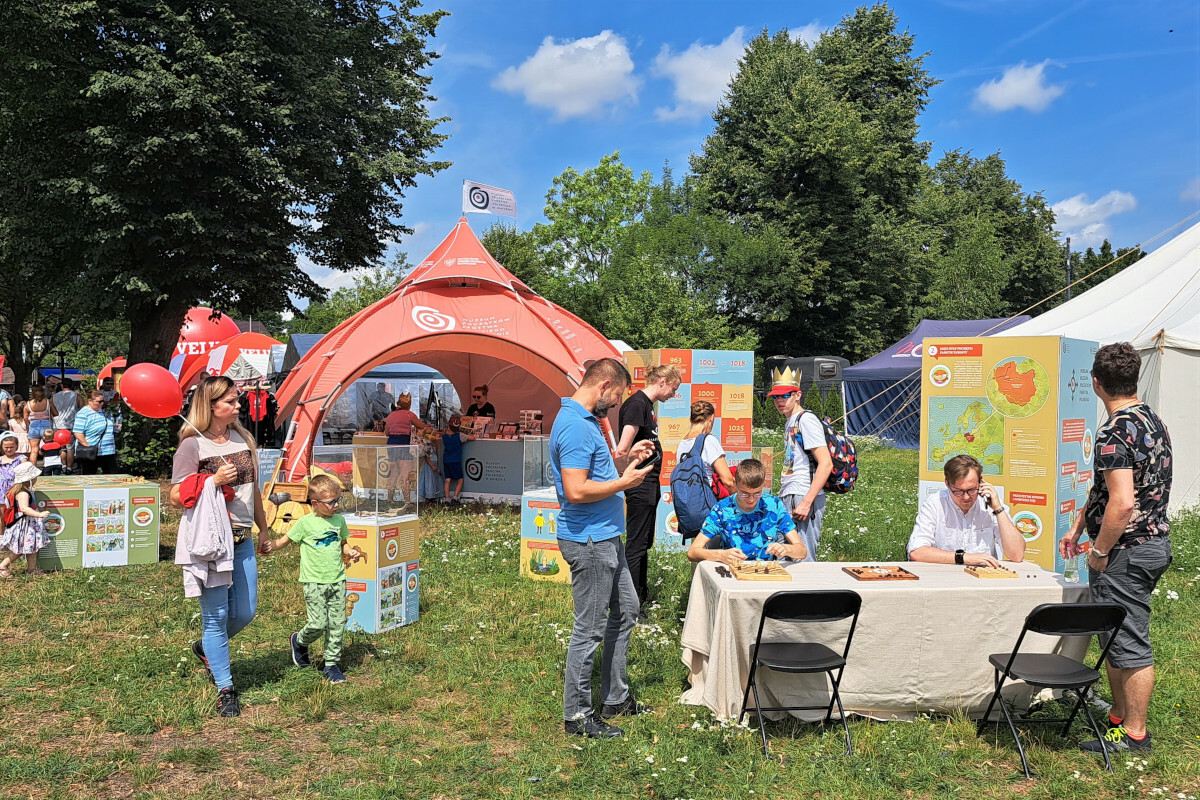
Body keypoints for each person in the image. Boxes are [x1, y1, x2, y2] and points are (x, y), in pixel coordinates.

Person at [1060, 343, 1172, 755]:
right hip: (1153, 541)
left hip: (1128, 548)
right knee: (1115, 634)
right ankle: (1119, 718)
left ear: (1095, 383)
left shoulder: (1114, 430)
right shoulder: (1151, 420)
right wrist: (1078, 526)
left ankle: (1135, 735)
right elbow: (1104, 491)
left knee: (1128, 639)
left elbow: (1122, 502)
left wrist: (1101, 550)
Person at [551, 357, 656, 739]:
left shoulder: (585, 422)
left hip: (606, 537)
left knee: (627, 610)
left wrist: (624, 460)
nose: (615, 405)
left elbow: (592, 473)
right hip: (590, 541)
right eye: (615, 398)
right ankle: (577, 715)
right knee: (589, 628)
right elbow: (577, 490)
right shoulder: (577, 427)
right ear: (605, 384)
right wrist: (625, 483)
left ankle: (615, 697)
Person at [170, 375, 271, 717]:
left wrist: (264, 528)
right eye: (230, 401)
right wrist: (212, 480)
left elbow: (253, 489)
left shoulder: (242, 437)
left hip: (242, 540)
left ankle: (206, 649)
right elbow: (174, 496)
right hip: (213, 543)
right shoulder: (191, 445)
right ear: (210, 406)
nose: (238, 405)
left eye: (237, 399)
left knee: (245, 612)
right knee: (216, 618)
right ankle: (226, 688)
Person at [266, 474, 351, 684]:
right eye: (331, 502)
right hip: (314, 581)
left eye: (337, 500)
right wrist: (268, 545)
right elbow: (284, 541)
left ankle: (331, 664)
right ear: (315, 503)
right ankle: (299, 640)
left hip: (338, 580)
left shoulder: (339, 521)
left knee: (337, 623)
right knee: (319, 623)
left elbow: (344, 543)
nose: (336, 505)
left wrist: (351, 551)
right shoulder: (305, 523)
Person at [615, 364, 681, 616]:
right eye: (673, 389)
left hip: (649, 483)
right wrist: (630, 468)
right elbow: (623, 449)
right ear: (662, 381)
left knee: (644, 543)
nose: (673, 395)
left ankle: (640, 595)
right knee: (636, 543)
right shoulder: (636, 404)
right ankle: (630, 606)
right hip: (639, 484)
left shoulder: (647, 406)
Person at [907, 454, 1025, 566]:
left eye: (972, 490)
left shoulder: (992, 504)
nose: (966, 497)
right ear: (947, 484)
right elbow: (916, 551)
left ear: (980, 482)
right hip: (945, 577)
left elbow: (1017, 555)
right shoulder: (935, 503)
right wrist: (963, 557)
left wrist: (999, 510)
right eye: (958, 491)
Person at [686, 459, 806, 565]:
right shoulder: (722, 509)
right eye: (744, 493)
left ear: (763, 485)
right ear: (736, 484)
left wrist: (786, 549)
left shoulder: (773, 505)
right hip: (733, 570)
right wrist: (721, 555)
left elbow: (801, 551)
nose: (751, 499)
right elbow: (693, 552)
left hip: (765, 571)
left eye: (757, 493)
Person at [770, 366, 832, 562]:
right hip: (790, 494)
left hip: (803, 495)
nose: (779, 401)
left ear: (798, 395)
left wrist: (806, 502)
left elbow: (826, 463)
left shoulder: (807, 420)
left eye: (785, 395)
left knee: (803, 558)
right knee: (784, 556)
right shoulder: (790, 421)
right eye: (775, 397)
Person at [674, 401, 737, 542]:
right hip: (709, 509)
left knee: (699, 554)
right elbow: (727, 480)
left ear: (691, 419)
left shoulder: (682, 444)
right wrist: (740, 502)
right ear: (711, 418)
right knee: (714, 557)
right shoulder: (708, 441)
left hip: (691, 510)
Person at [0, 462, 50, 578]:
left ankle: (31, 569)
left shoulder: (25, 490)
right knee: (20, 549)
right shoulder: (23, 493)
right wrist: (39, 514)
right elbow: (24, 508)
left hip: (29, 525)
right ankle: (3, 565)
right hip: (24, 525)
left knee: (31, 547)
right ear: (30, 479)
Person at [383, 393, 428, 503]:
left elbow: (386, 433)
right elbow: (422, 426)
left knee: (393, 473)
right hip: (404, 444)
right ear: (409, 404)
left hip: (391, 445)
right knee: (405, 475)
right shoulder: (409, 415)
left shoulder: (391, 415)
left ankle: (389, 499)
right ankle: (407, 501)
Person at [72, 390, 118, 474]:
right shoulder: (83, 414)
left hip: (108, 450)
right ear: (90, 401)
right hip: (92, 451)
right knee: (90, 476)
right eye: (99, 401)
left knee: (112, 476)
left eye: (103, 401)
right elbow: (77, 432)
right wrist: (87, 446)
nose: (102, 403)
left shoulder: (102, 411)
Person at [440, 416, 476, 503]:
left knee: (447, 480)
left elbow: (445, 432)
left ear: (448, 425)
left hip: (446, 460)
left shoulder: (444, 436)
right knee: (460, 479)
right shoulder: (460, 436)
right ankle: (455, 497)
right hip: (456, 460)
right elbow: (472, 438)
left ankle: (447, 498)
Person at [51, 378, 81, 472]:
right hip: (71, 425)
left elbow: (51, 409)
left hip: (58, 425)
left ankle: (63, 466)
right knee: (70, 449)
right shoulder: (76, 396)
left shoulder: (54, 396)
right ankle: (69, 468)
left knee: (62, 448)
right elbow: (82, 407)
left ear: (61, 385)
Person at [0, 431, 29, 509]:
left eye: (11, 447)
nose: (9, 449)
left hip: (16, 488)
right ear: (1, 446)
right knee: (2, 514)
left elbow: (27, 473)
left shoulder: (21, 458)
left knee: (16, 511)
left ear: (16, 446)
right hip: (1, 490)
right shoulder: (0, 459)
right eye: (6, 447)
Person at [25, 386, 52, 457]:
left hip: (33, 425)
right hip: (46, 425)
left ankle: (33, 466)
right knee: (49, 447)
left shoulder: (28, 404)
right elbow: (56, 413)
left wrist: (28, 427)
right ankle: (48, 464)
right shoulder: (48, 402)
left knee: (34, 450)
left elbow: (25, 418)